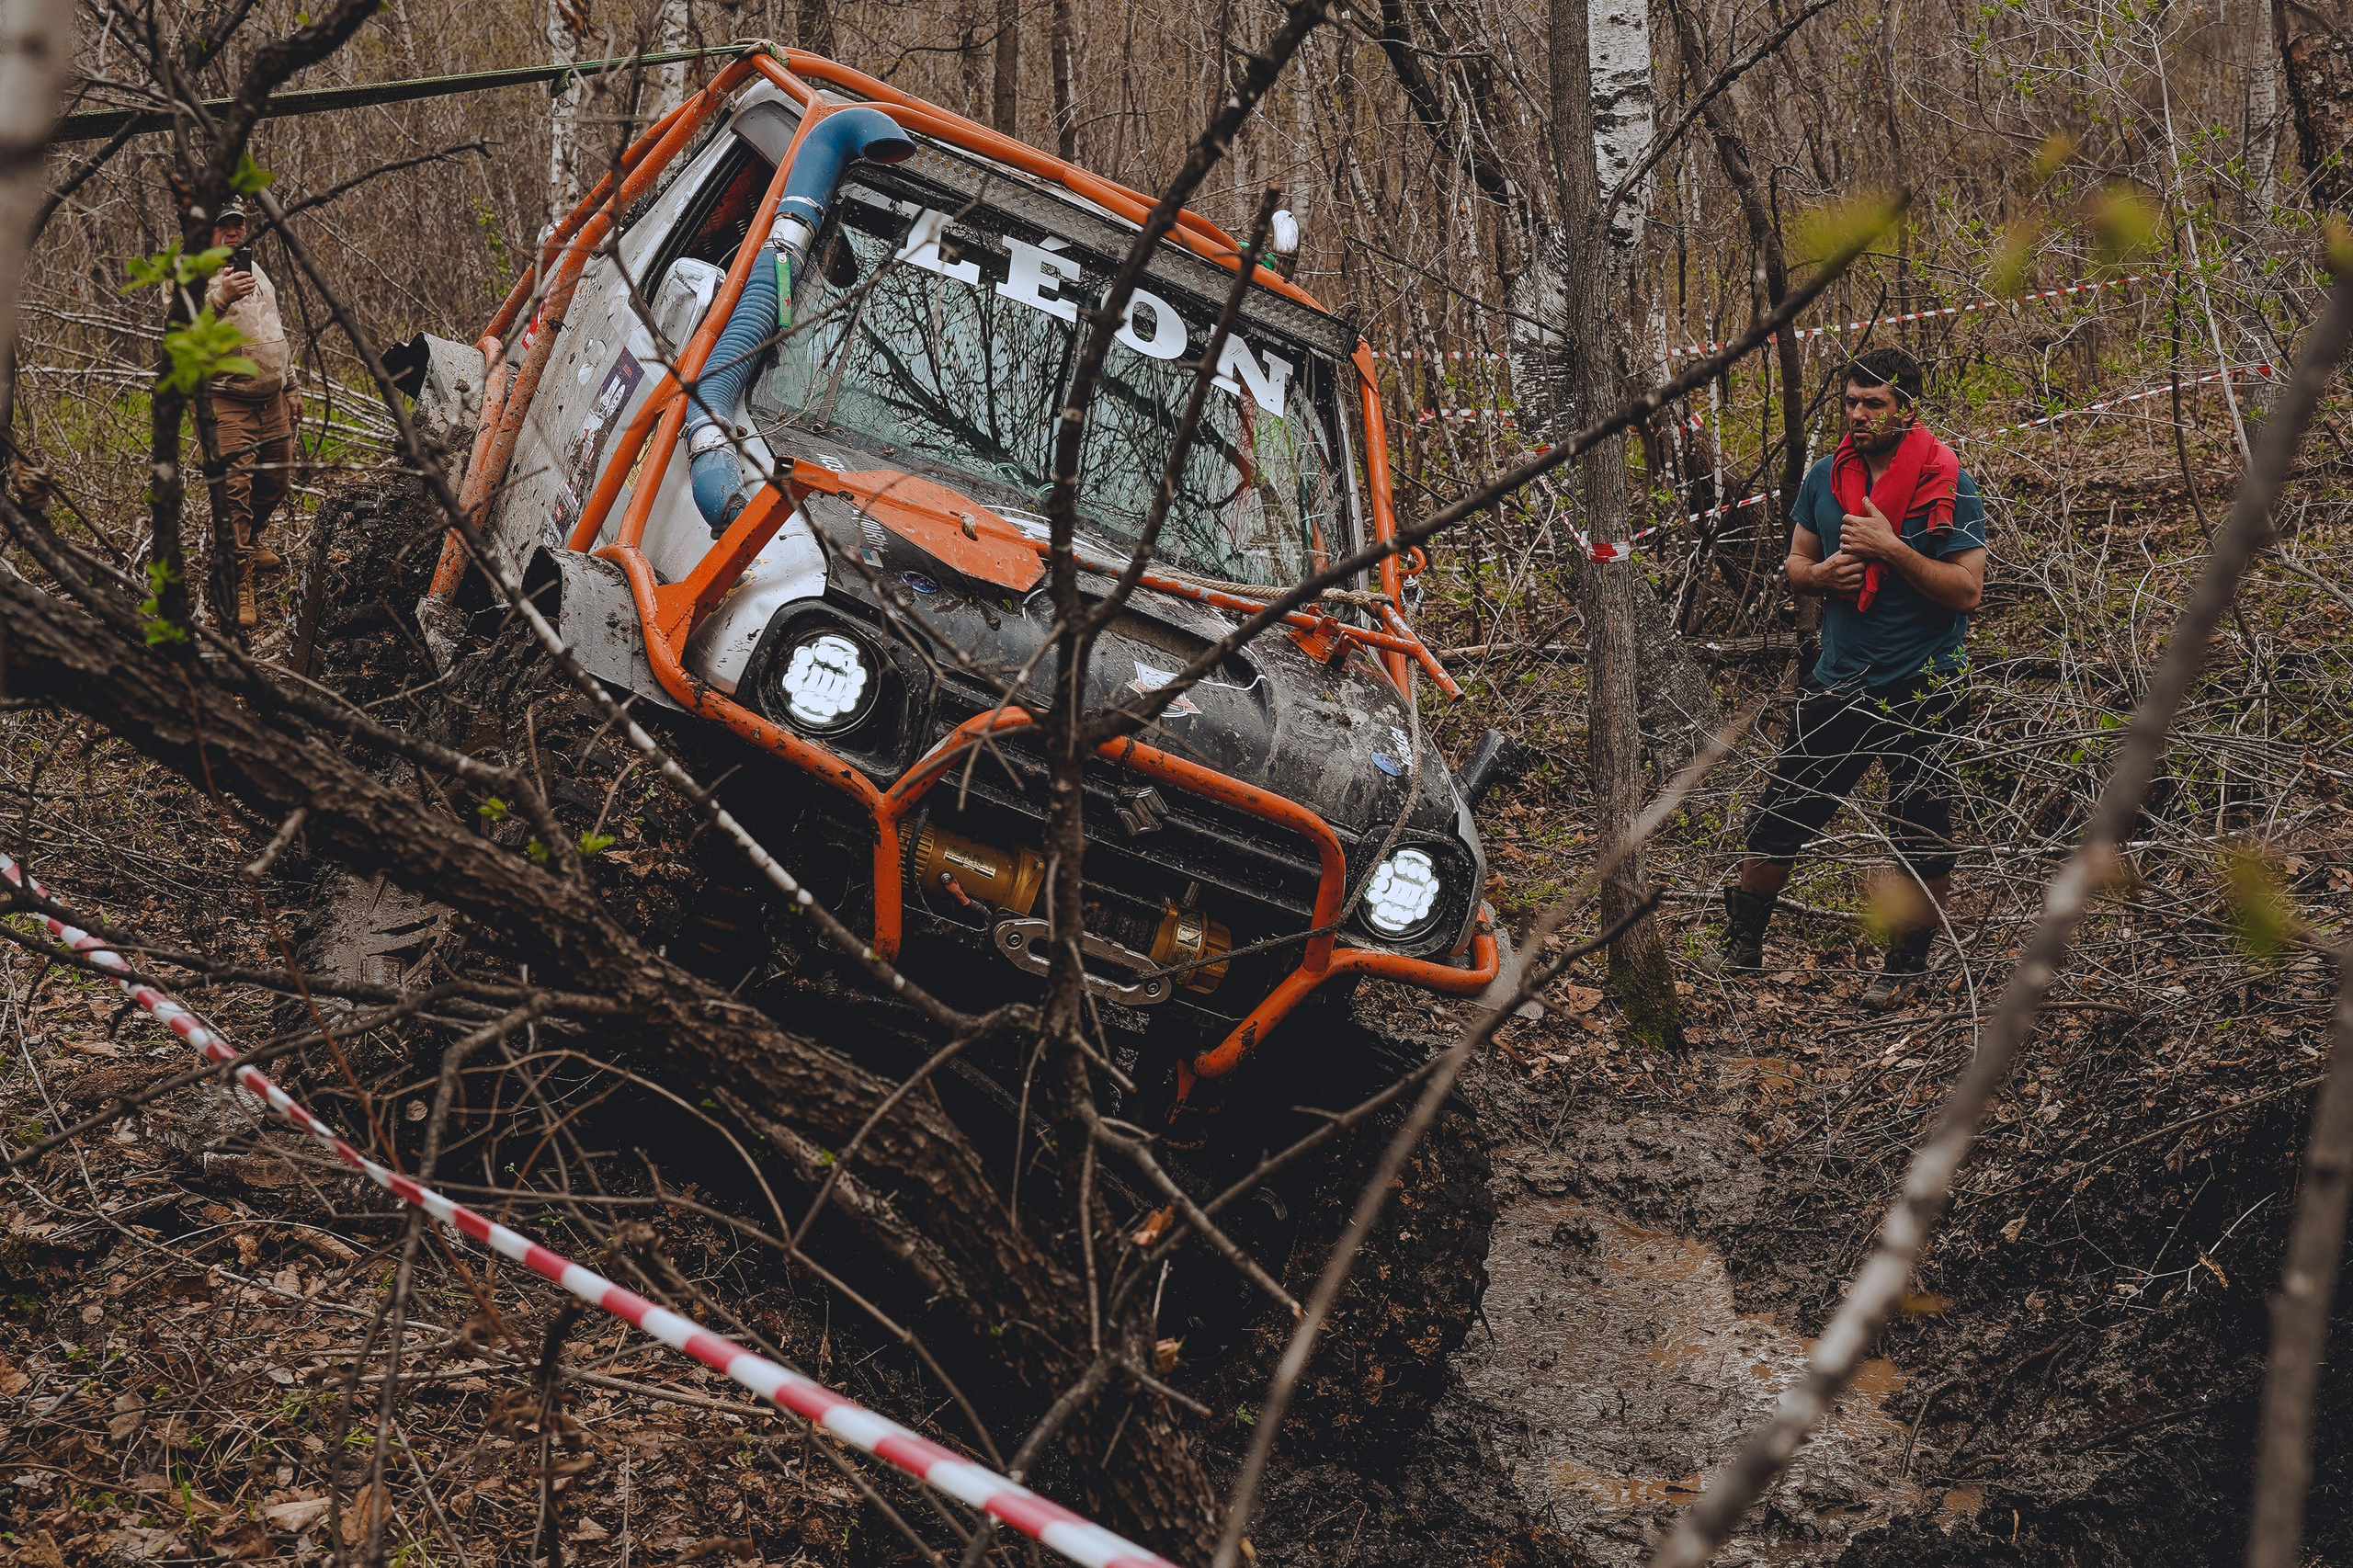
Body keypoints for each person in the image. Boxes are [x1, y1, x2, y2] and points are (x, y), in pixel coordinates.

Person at [1705, 346, 1989, 1008]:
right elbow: (1796, 562)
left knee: (1921, 833)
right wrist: (1821, 576)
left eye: (1874, 404)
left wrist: (1892, 548)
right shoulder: (1826, 476)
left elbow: (1968, 591)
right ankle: (1741, 947)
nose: (1858, 415)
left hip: (1924, 684)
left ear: (1906, 409)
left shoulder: (1948, 482)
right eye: (1852, 403)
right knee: (1778, 817)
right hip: (1839, 681)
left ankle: (1906, 966)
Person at [201, 195, 301, 630]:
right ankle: (235, 579)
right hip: (225, 399)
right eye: (224, 224)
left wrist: (291, 385)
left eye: (238, 223)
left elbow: (273, 330)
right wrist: (220, 296)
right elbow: (178, 330)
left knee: (277, 481)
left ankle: (246, 542)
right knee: (233, 494)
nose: (233, 231)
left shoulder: (252, 268)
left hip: (272, 398)